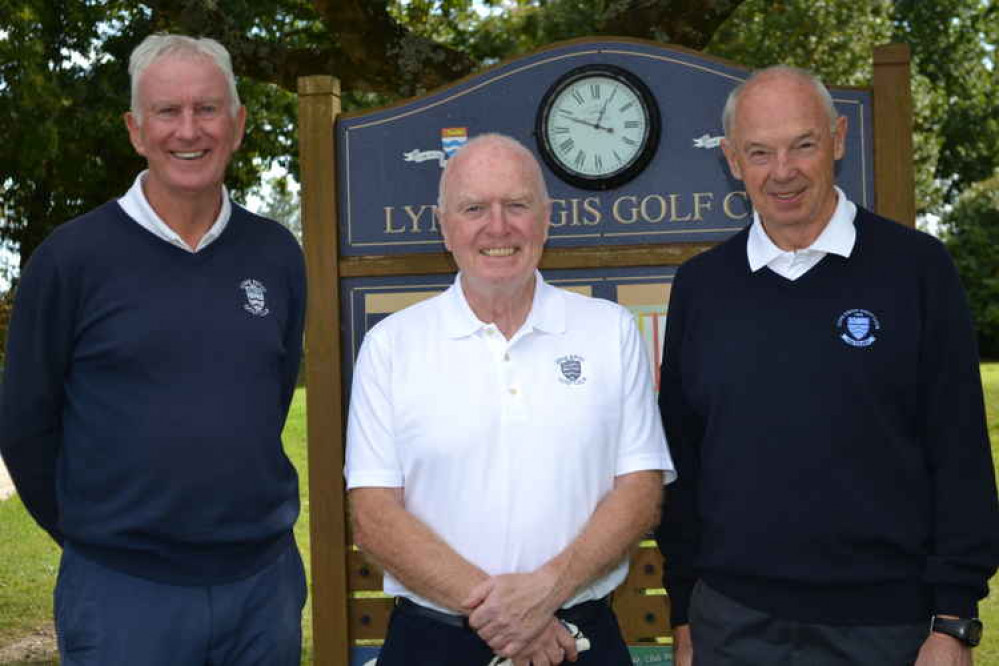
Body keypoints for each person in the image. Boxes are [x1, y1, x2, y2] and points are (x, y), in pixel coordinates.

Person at [655, 65, 999, 666]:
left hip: (888, 628)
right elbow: (681, 464)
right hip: (733, 625)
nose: (782, 171)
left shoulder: (917, 269)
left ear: (838, 139)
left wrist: (953, 621)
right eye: (759, 152)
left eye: (802, 145)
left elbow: (960, 453)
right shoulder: (702, 286)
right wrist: (685, 616)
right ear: (733, 160)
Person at [0, 34, 307, 666]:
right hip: (122, 597)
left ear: (239, 123)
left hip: (262, 588)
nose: (188, 130)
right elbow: (25, 424)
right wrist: (101, 536)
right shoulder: (70, 260)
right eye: (167, 111)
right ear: (136, 130)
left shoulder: (276, 254)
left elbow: (268, 398)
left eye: (207, 109)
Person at [345, 133, 674, 666]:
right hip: (433, 642)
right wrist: (509, 618)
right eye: (474, 208)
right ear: (444, 226)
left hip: (577, 637)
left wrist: (543, 594)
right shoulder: (391, 345)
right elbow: (375, 517)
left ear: (546, 218)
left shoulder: (608, 331)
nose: (497, 227)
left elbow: (639, 490)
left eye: (516, 205)